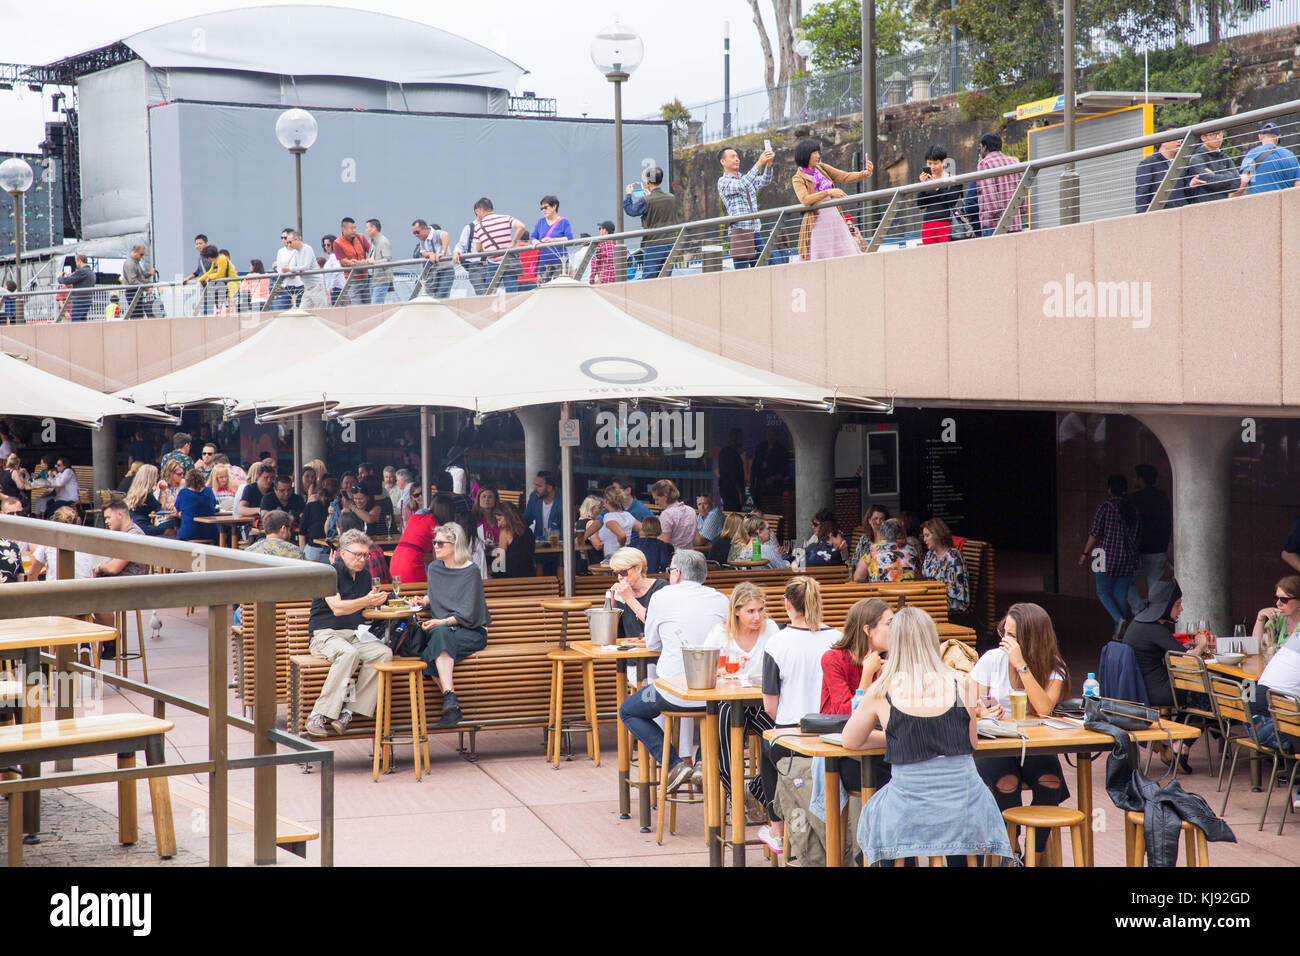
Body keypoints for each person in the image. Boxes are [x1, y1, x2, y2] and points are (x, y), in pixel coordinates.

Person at [845, 605, 1013, 866]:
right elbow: (970, 743)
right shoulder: (961, 683)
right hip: (965, 810)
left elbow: (850, 740)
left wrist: (896, 738)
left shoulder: (882, 690)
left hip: (909, 810)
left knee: (879, 819)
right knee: (961, 829)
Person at [618, 550, 728, 794]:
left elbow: (653, 644)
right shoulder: (721, 599)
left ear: (676, 573)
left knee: (628, 710)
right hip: (714, 693)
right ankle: (701, 761)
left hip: (672, 692)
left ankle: (673, 763)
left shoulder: (662, 597)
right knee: (730, 716)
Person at [971, 602, 1069, 857]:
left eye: (1013, 635)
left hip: (1033, 742)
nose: (1005, 639)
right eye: (1005, 632)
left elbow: (1044, 709)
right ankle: (1010, 850)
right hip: (996, 743)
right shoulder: (991, 660)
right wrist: (983, 711)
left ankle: (1034, 853)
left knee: (1051, 782)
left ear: (1031, 637)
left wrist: (1021, 665)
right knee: (1007, 782)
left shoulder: (1053, 665)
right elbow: (971, 703)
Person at [757, 576, 843, 851]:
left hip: (791, 736)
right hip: (834, 731)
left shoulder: (777, 643)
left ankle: (777, 831)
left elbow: (770, 706)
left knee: (765, 749)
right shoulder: (838, 638)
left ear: (787, 605)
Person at [304, 528, 393, 737]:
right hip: (325, 635)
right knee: (348, 654)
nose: (362, 559)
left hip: (353, 635)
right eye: (357, 555)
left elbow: (367, 607)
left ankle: (348, 711)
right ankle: (317, 714)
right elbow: (338, 608)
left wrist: (392, 603)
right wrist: (367, 601)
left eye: (365, 555)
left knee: (383, 653)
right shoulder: (328, 574)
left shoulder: (364, 576)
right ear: (343, 553)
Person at [415, 522, 491, 727]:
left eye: (440, 543)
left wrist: (443, 621)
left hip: (471, 630)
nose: (435, 547)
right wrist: (421, 601)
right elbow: (433, 593)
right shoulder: (435, 569)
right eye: (434, 542)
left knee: (431, 650)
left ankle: (451, 701)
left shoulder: (471, 571)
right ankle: (451, 703)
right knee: (434, 644)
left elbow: (470, 613)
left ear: (455, 544)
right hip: (444, 631)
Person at [1122, 578, 1202, 772]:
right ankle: (1177, 744)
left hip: (1143, 689)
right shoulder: (1155, 629)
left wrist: (1183, 648)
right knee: (1207, 698)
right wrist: (1201, 645)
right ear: (1166, 607)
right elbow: (1187, 660)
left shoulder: (1139, 624)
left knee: (1202, 696)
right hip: (1158, 692)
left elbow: (1170, 650)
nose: (1180, 609)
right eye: (1177, 605)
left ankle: (1171, 742)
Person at [1080, 474, 1142, 637]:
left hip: (1104, 556)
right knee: (1120, 594)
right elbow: (1136, 535)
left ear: (1110, 489)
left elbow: (1094, 533)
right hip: (1127, 557)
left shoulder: (1105, 507)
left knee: (1102, 591)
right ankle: (1119, 632)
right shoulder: (1132, 509)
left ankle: (1119, 619)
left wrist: (1084, 553)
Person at [791, 138, 870, 260]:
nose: (818, 156)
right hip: (817, 221)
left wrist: (865, 173)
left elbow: (844, 176)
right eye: (815, 153)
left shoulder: (822, 168)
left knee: (846, 251)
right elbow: (805, 199)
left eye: (818, 152)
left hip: (834, 217)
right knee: (821, 256)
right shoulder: (798, 178)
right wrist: (827, 192)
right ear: (806, 155)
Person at [717, 144, 775, 269]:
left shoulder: (745, 177)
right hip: (739, 232)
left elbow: (765, 181)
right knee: (742, 274)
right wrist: (759, 163)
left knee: (762, 268)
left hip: (755, 230)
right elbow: (741, 185)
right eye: (732, 157)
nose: (737, 159)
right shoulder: (723, 181)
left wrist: (769, 164)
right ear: (723, 161)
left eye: (737, 156)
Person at [1128, 463, 1171, 615]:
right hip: (1159, 550)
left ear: (1141, 478)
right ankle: (1154, 615)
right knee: (1155, 587)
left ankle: (1139, 609)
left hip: (1140, 551)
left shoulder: (1134, 498)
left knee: (1125, 581)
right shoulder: (1163, 497)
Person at [455, 197, 527, 288]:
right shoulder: (506, 218)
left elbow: (479, 249)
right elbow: (521, 227)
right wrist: (512, 244)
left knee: (489, 293)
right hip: (507, 261)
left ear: (480, 210)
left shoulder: (478, 227)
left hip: (492, 263)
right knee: (511, 291)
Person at [623, 166, 677, 279]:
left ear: (647, 182)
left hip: (654, 244)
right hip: (671, 243)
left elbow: (631, 211)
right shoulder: (671, 198)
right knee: (666, 276)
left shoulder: (646, 200)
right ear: (661, 180)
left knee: (649, 278)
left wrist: (628, 195)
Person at [608, 545, 669, 638]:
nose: (619, 577)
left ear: (638, 568)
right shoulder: (620, 594)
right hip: (630, 649)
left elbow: (656, 624)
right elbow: (612, 633)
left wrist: (629, 598)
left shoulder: (661, 588)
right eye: (616, 573)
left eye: (624, 572)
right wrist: (611, 604)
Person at [974, 132, 1026, 235]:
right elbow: (1022, 188)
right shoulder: (1013, 162)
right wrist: (1022, 209)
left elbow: (990, 193)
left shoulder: (985, 163)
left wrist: (995, 214)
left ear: (985, 147)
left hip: (994, 224)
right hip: (1014, 220)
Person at [920, 517, 971, 613]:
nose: (924, 539)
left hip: (951, 602)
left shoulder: (953, 556)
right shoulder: (930, 554)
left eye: (927, 535)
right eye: (924, 536)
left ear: (937, 535)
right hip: (933, 597)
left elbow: (955, 590)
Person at [1135, 126, 1189, 213]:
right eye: (1175, 137)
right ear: (1163, 140)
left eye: (1180, 138)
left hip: (1181, 214)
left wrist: (1192, 185)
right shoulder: (1149, 163)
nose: (1179, 141)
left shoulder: (1180, 164)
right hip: (1160, 216)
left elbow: (1185, 193)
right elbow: (1142, 194)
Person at [1181, 129, 1241, 205]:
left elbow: (1236, 184)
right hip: (1203, 206)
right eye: (1213, 134)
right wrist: (1230, 176)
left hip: (1223, 204)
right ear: (1203, 138)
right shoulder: (1197, 159)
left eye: (1220, 133)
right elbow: (1208, 180)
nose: (1218, 137)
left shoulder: (1226, 158)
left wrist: (1214, 176)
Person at [917, 145, 962, 244]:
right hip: (927, 225)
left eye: (936, 163)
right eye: (929, 163)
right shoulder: (926, 180)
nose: (932, 167)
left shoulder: (953, 179)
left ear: (944, 162)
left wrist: (937, 187)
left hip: (946, 223)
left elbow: (951, 200)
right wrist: (922, 186)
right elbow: (920, 204)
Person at [1239, 121, 1300, 195]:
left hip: (1259, 203)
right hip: (1285, 204)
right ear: (1278, 137)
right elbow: (1298, 187)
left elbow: (1242, 184)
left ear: (1260, 137)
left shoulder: (1252, 154)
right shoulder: (1291, 156)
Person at [854, 517, 919, 583]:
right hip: (908, 592)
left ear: (882, 533)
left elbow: (858, 577)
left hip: (880, 592)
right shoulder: (911, 550)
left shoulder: (872, 550)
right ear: (900, 533)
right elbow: (919, 575)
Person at [530, 195, 573, 282]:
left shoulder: (564, 222)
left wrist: (553, 240)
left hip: (560, 262)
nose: (543, 210)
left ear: (554, 206)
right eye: (541, 208)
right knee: (542, 290)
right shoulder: (540, 222)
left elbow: (569, 238)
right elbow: (532, 237)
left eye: (546, 207)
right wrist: (535, 241)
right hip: (543, 262)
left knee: (560, 289)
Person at [587, 485, 635, 561]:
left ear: (605, 501)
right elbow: (643, 529)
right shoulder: (628, 515)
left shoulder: (609, 517)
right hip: (626, 558)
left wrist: (621, 549)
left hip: (613, 559)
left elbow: (622, 535)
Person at [333, 218, 372, 305]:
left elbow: (371, 251)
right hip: (352, 281)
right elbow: (343, 261)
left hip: (365, 278)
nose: (354, 230)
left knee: (368, 307)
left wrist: (364, 261)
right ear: (343, 229)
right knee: (357, 308)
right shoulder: (337, 243)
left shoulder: (360, 237)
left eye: (355, 228)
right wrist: (352, 263)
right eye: (351, 228)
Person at [412, 219, 454, 299]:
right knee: (430, 297)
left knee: (441, 296)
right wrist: (430, 254)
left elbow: (445, 235)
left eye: (417, 232)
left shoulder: (435, 233)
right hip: (433, 272)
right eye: (414, 233)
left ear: (424, 228)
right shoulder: (422, 240)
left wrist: (442, 252)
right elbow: (423, 252)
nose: (416, 235)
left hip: (445, 270)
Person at [491, 501, 535, 578]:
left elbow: (499, 560)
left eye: (499, 520)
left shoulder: (506, 531)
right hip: (529, 576)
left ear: (508, 516)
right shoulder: (529, 532)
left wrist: (490, 569)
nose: (498, 524)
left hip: (510, 577)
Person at [300, 476, 337, 564]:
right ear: (337, 491)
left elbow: (302, 532)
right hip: (331, 550)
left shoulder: (311, 505)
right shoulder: (338, 507)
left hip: (313, 549)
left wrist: (302, 554)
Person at [651, 479, 695, 552]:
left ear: (665, 496)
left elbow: (664, 545)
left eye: (657, 499)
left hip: (674, 559)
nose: (656, 503)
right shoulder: (691, 511)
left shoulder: (666, 514)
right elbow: (696, 539)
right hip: (690, 557)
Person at [175, 468, 218, 543]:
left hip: (189, 534)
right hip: (211, 533)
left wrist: (180, 513)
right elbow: (214, 505)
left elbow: (176, 511)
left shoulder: (183, 493)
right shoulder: (209, 491)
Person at [198, 245, 240, 313]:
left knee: (231, 311)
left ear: (209, 257)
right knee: (224, 310)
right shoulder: (214, 262)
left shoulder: (222, 258)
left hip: (232, 287)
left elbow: (221, 273)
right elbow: (210, 272)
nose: (207, 259)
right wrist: (200, 279)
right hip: (224, 289)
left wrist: (210, 277)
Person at [523, 471, 563, 542]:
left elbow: (564, 533)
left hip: (557, 547)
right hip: (537, 546)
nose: (535, 489)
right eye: (535, 485)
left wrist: (540, 539)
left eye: (539, 486)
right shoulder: (534, 497)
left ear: (549, 488)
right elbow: (526, 519)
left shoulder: (562, 501)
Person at [121, 244, 157, 318]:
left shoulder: (135, 262)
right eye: (141, 254)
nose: (142, 257)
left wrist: (150, 273)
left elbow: (142, 274)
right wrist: (147, 288)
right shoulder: (130, 264)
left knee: (139, 314)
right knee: (136, 315)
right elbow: (132, 281)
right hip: (132, 292)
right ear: (135, 252)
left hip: (137, 291)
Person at [124, 464, 163, 533]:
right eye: (156, 475)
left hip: (133, 525)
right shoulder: (147, 495)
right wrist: (163, 491)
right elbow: (161, 510)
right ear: (152, 478)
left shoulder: (133, 492)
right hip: (143, 528)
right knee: (171, 524)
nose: (157, 478)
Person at [364, 218, 394, 303]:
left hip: (381, 279)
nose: (366, 230)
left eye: (367, 228)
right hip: (372, 279)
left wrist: (374, 263)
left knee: (376, 306)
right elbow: (369, 260)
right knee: (375, 306)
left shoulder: (383, 241)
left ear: (373, 228)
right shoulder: (372, 242)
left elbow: (388, 260)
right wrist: (357, 262)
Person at [58, 255, 95, 322]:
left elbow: (68, 281)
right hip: (87, 300)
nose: (76, 264)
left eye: (76, 261)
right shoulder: (91, 272)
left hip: (80, 301)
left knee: (76, 320)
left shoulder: (82, 271)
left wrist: (60, 278)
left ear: (80, 261)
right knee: (82, 321)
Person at [472, 484, 500, 549]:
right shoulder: (473, 518)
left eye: (490, 497)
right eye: (484, 496)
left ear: (495, 500)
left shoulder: (501, 517)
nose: (486, 499)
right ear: (478, 499)